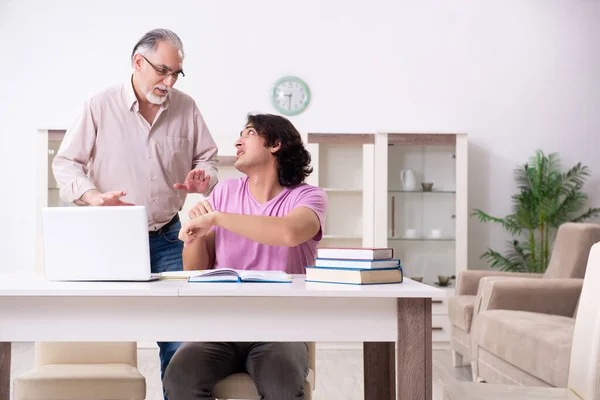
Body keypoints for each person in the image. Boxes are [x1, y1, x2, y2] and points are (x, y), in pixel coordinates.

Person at [51, 28, 219, 381]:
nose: (169, 81)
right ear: (138, 62)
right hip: (110, 238)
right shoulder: (99, 105)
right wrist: (93, 196)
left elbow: (208, 159)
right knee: (100, 332)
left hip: (171, 236)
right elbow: (65, 164)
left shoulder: (186, 107)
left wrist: (202, 177)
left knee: (182, 339)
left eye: (176, 73)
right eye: (162, 70)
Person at [163, 114, 328, 400]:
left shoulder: (308, 197)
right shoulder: (225, 191)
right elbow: (196, 269)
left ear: (275, 144)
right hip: (221, 326)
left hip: (280, 330)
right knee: (178, 379)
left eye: (249, 133)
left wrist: (217, 218)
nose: (238, 141)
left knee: (281, 388)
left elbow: (289, 232)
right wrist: (193, 239)